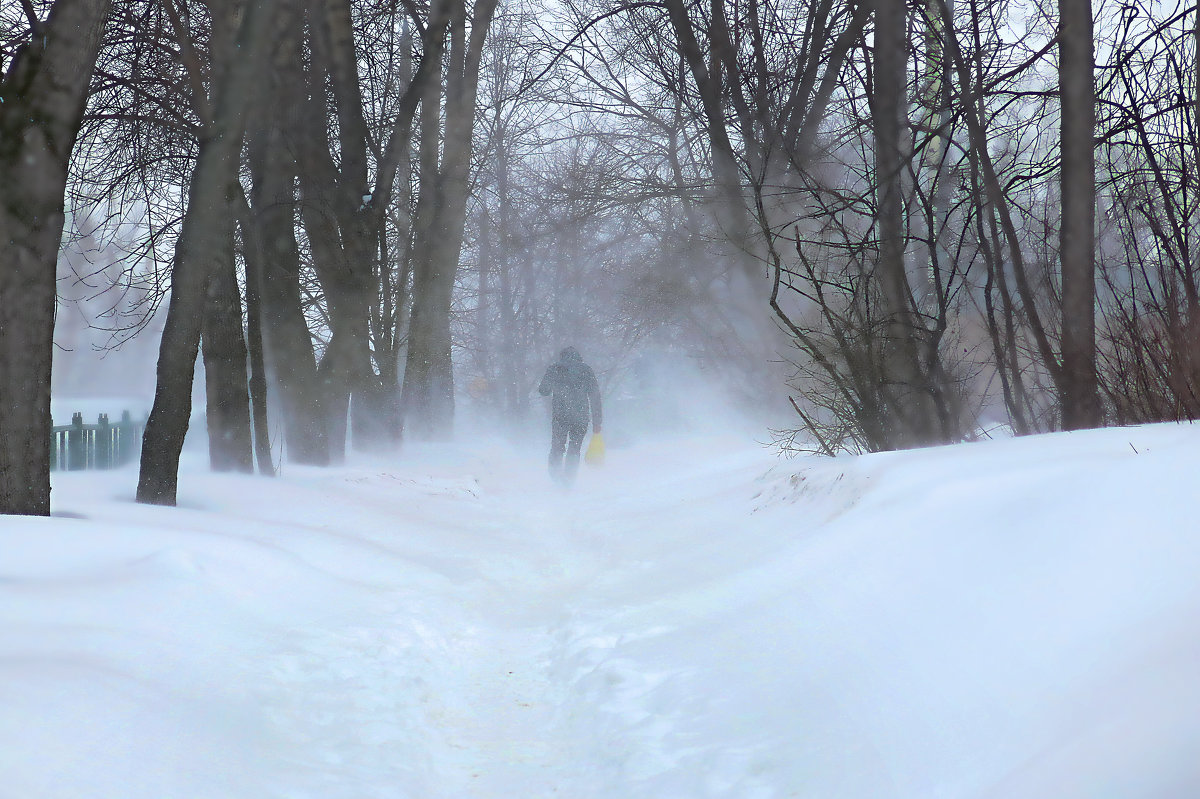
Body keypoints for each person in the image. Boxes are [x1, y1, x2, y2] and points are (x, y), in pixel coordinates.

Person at [538, 346, 602, 485]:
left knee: (557, 447)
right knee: (575, 448)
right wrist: (597, 422)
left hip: (560, 416)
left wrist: (555, 382)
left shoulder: (555, 369)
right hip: (581, 417)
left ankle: (555, 478)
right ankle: (569, 479)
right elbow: (595, 397)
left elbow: (543, 390)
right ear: (579, 357)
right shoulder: (586, 370)